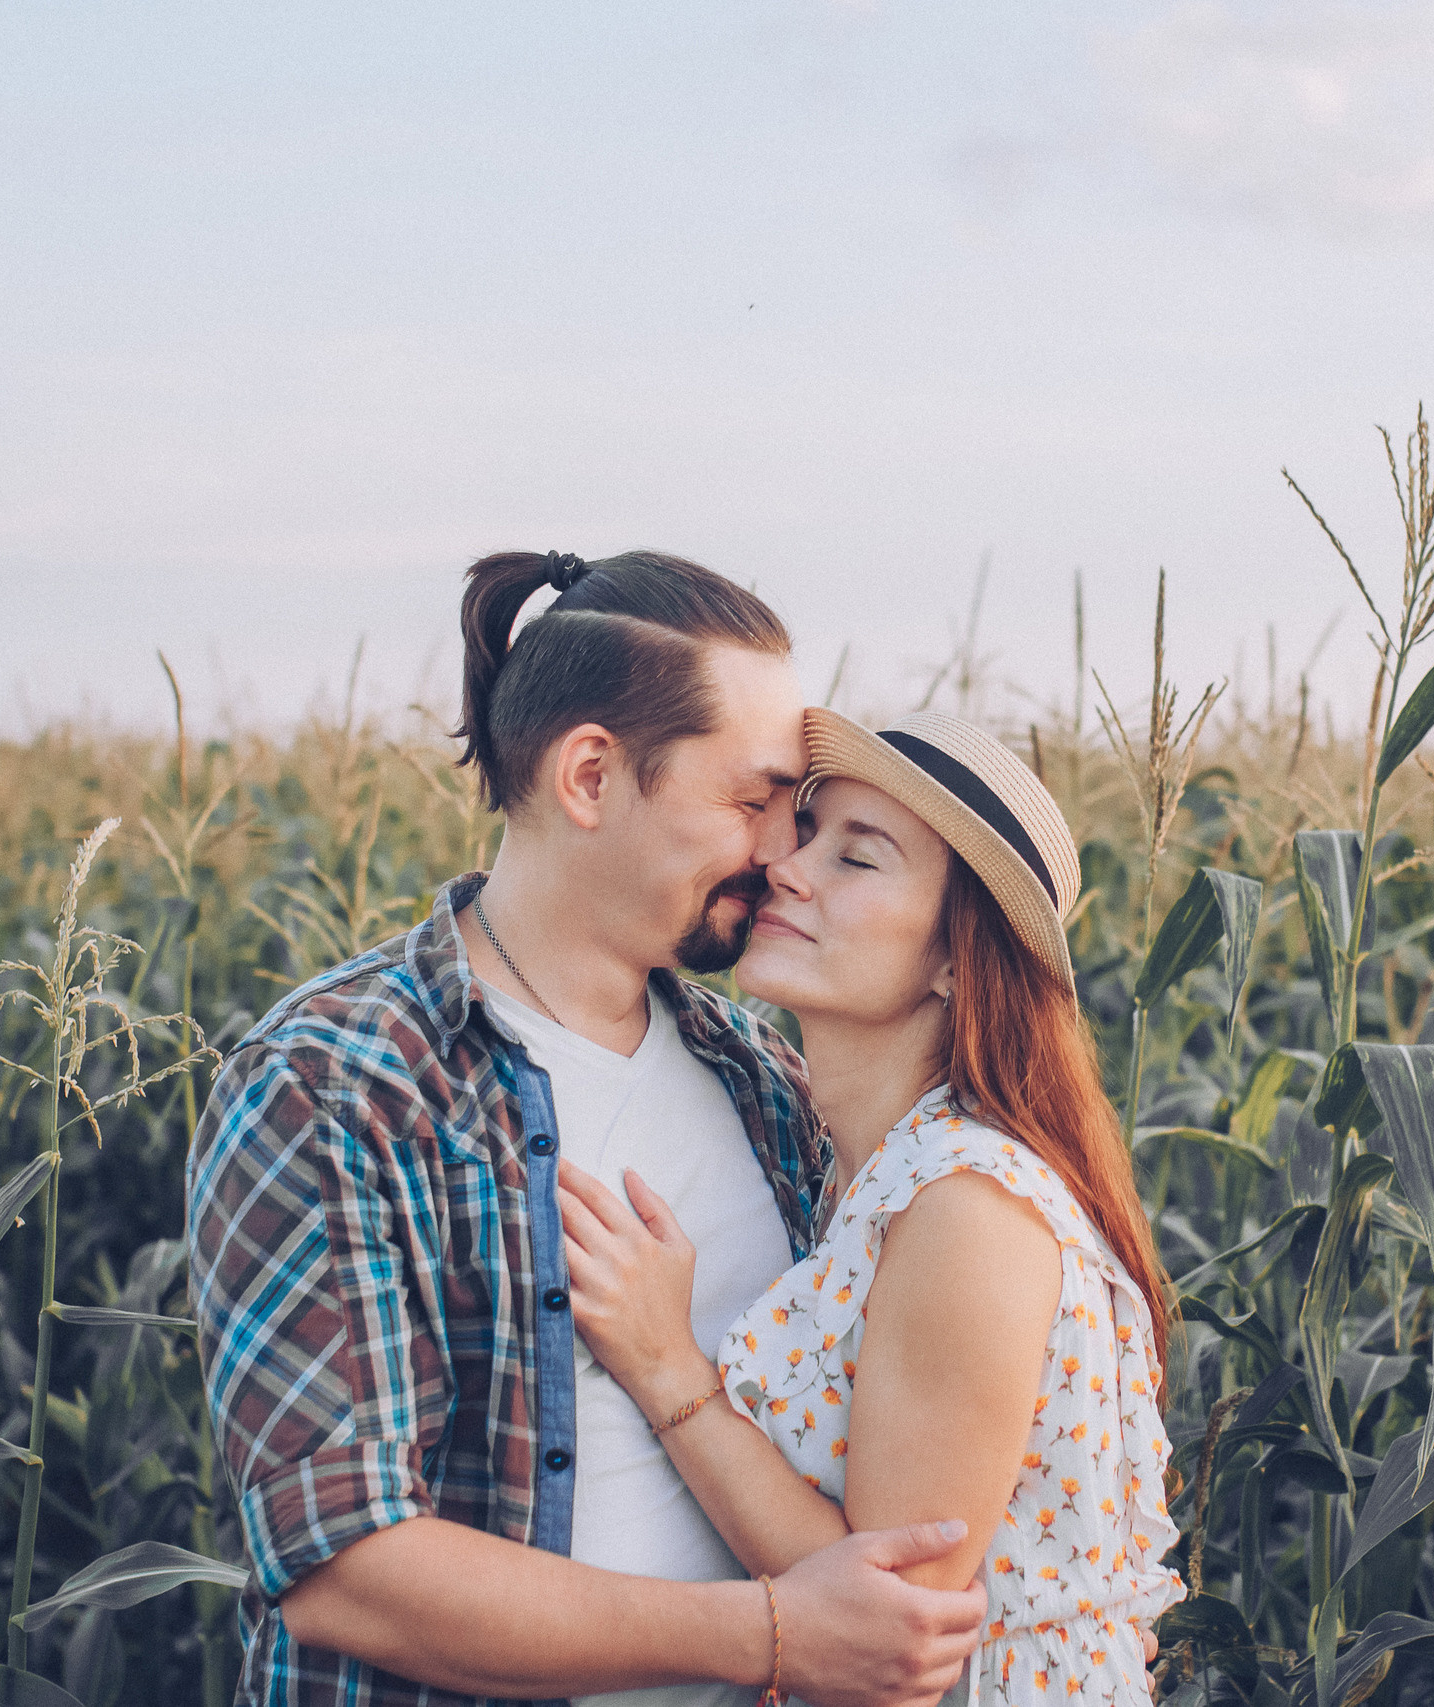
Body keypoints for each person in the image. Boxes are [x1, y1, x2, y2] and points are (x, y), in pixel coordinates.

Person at [188, 550, 987, 1707]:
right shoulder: (337, 1084)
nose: (779, 854)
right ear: (591, 776)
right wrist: (772, 1635)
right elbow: (346, 1569)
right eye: (751, 799)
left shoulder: (762, 1076)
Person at [556, 708, 1187, 1705]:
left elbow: (891, 1613)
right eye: (807, 835)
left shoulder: (968, 1203)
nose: (789, 870)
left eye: (859, 860)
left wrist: (663, 1362)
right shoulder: (863, 1166)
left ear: (953, 959)